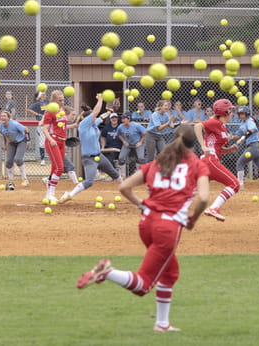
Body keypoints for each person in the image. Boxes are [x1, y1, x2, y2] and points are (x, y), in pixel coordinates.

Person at [76, 125, 210, 333]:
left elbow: (124, 187)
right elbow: (203, 197)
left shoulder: (159, 162)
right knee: (144, 285)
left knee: (170, 273)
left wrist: (141, 205)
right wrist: (193, 218)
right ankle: (107, 272)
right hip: (168, 227)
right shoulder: (196, 164)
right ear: (193, 147)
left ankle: (162, 324)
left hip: (146, 223)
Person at [60, 95, 122, 203]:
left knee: (114, 173)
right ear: (88, 119)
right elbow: (96, 113)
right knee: (89, 181)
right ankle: (69, 195)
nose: (95, 119)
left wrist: (109, 112)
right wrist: (101, 100)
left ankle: (127, 189)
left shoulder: (94, 124)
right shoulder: (84, 125)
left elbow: (101, 117)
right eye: (93, 118)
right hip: (89, 159)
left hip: (99, 156)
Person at [194, 99, 243, 221]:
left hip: (208, 161)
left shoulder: (222, 127)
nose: (232, 113)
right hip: (210, 160)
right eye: (230, 110)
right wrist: (202, 145)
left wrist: (229, 149)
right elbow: (197, 126)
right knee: (235, 184)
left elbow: (218, 148)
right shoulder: (215, 122)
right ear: (224, 112)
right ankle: (214, 208)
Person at [41, 90, 69, 202]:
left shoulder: (61, 110)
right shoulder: (49, 111)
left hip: (62, 141)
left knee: (54, 168)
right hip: (53, 140)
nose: (62, 102)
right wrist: (51, 139)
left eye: (63, 100)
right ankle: (52, 193)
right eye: (59, 100)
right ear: (53, 100)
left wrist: (64, 142)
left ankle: (48, 195)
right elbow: (45, 129)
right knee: (60, 168)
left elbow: (62, 127)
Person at [0, 109, 29, 187]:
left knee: (18, 159)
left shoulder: (14, 124)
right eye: (1, 116)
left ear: (8, 118)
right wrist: (5, 145)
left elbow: (26, 129)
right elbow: (5, 135)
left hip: (21, 141)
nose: (2, 117)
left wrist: (28, 140)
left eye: (4, 116)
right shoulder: (0, 126)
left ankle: (24, 179)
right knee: (8, 162)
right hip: (11, 143)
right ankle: (10, 181)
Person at [25, 91, 48, 165]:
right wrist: (37, 114)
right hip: (41, 124)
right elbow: (28, 109)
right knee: (42, 142)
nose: (45, 95)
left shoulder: (46, 102)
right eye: (43, 94)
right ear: (40, 96)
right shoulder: (38, 103)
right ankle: (42, 159)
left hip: (48, 123)